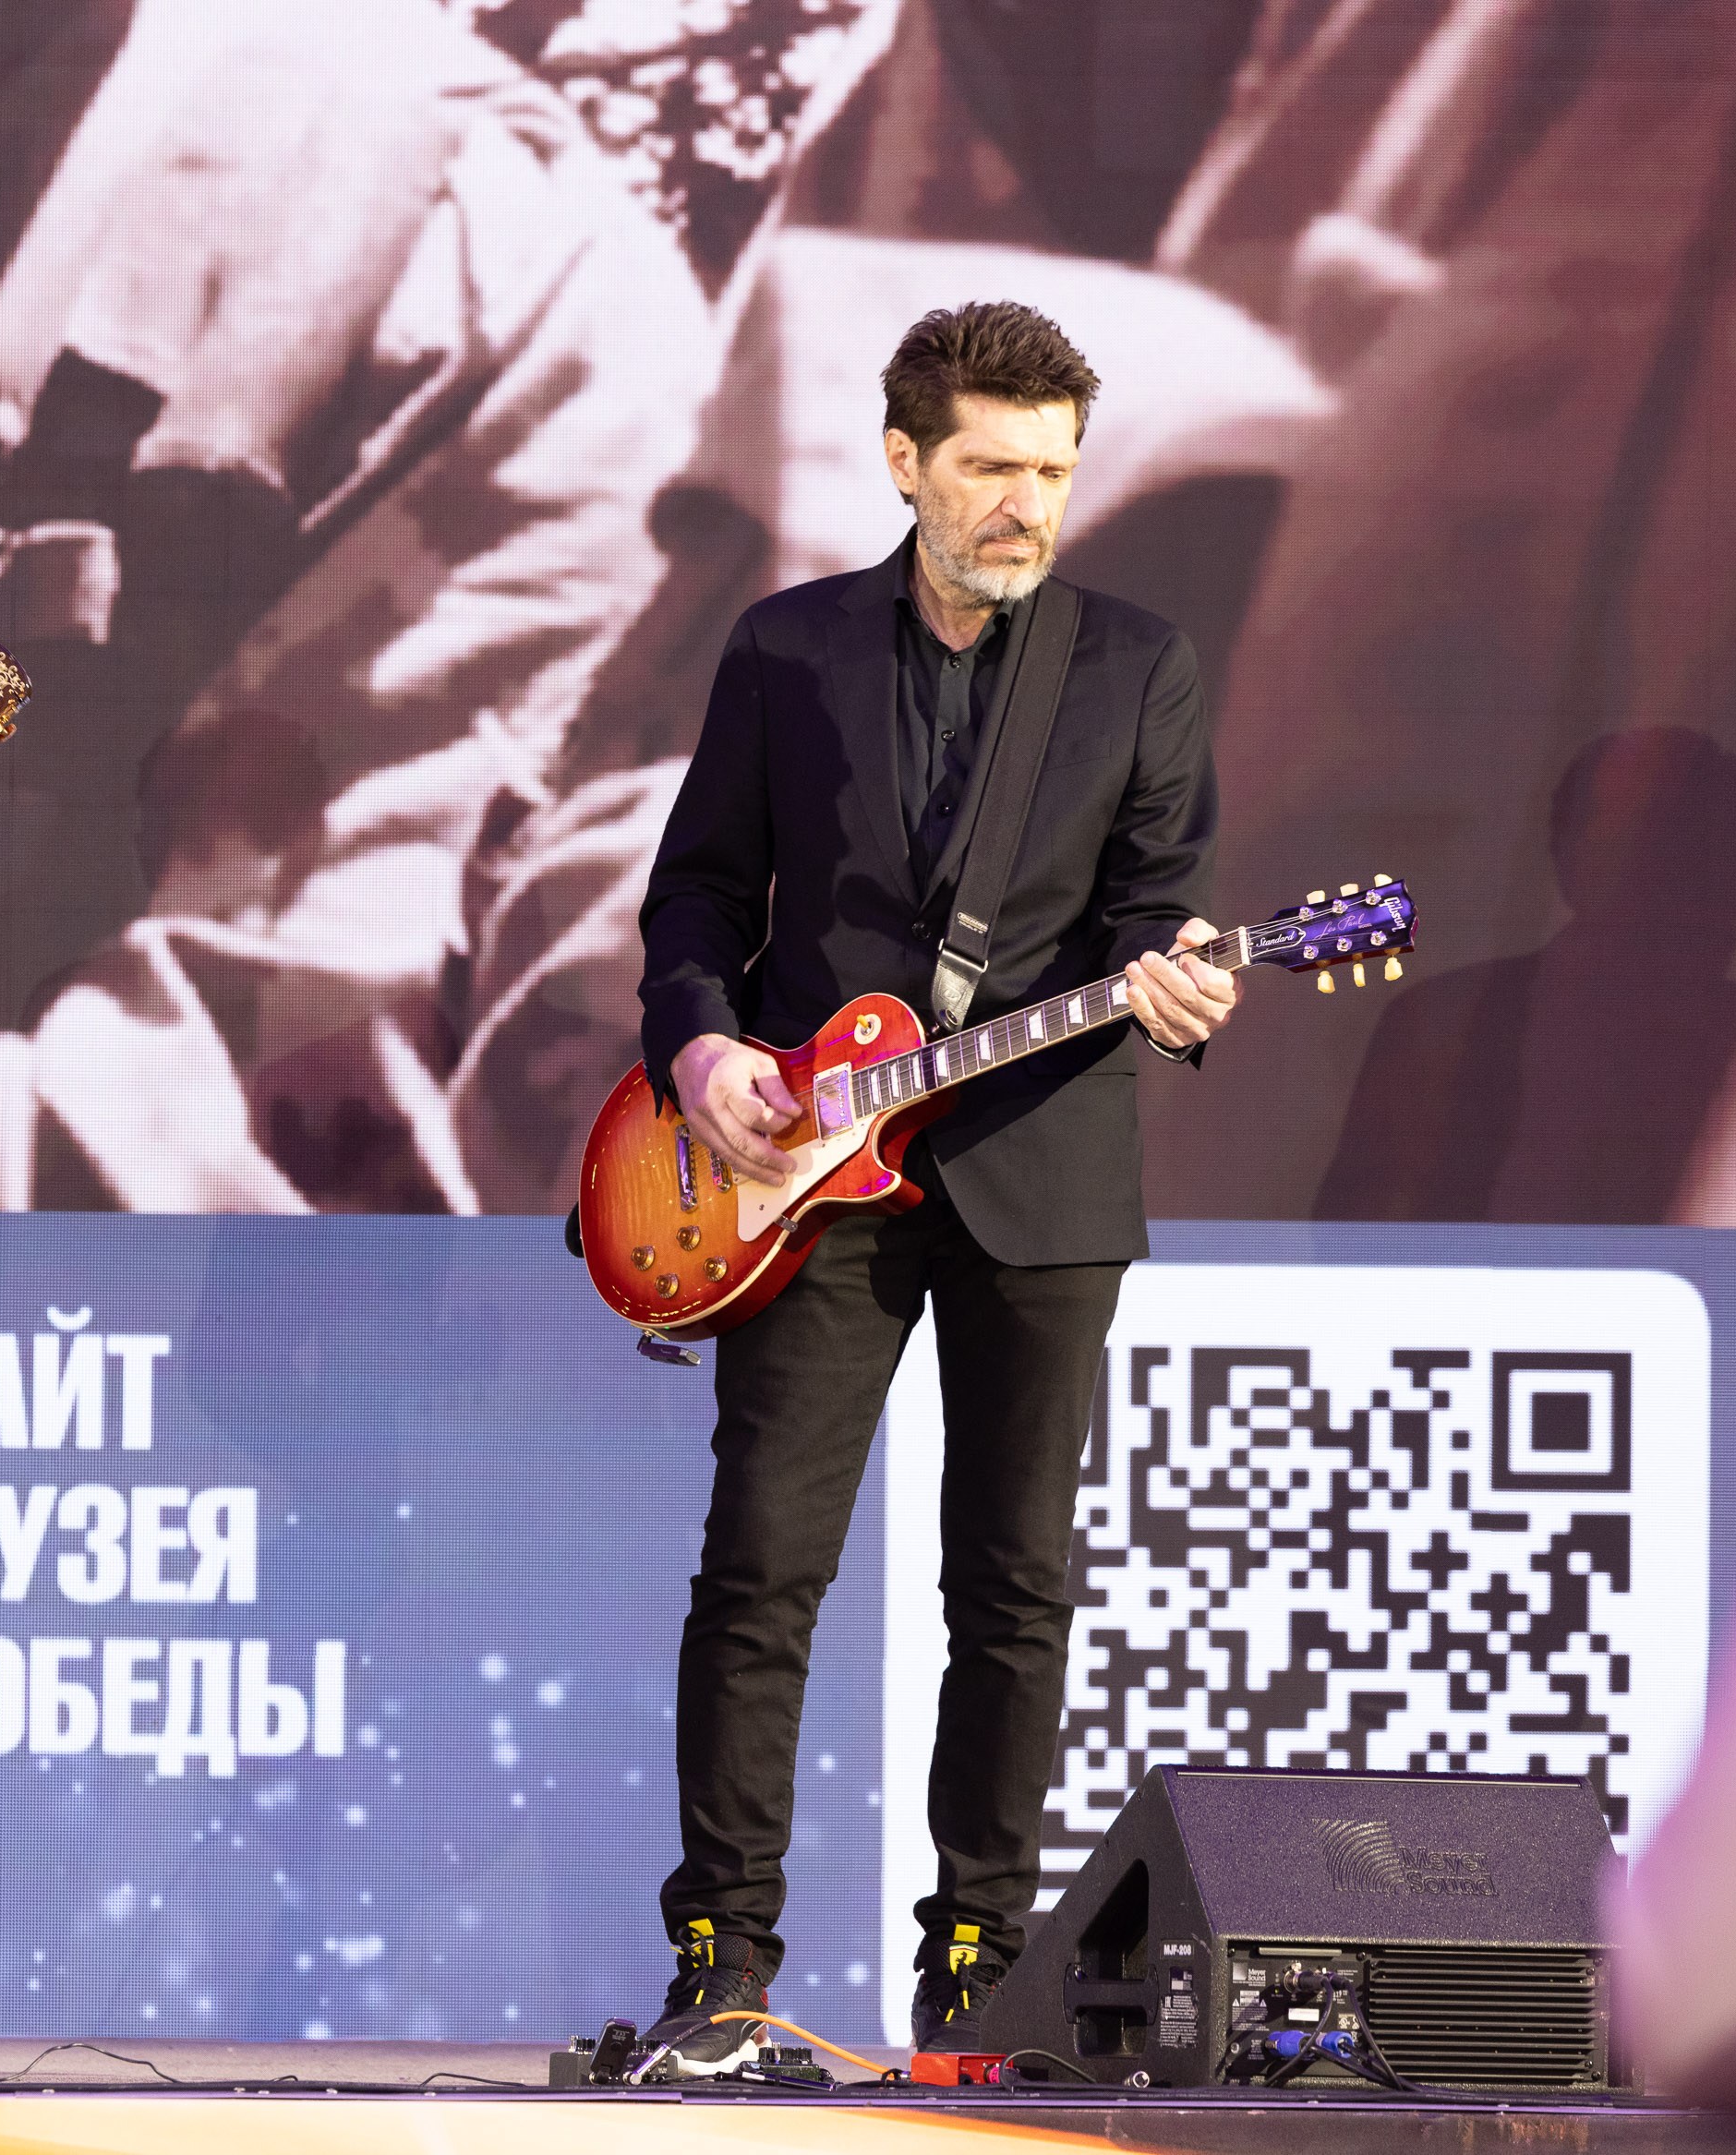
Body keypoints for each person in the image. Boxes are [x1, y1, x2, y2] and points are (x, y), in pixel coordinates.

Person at [632, 301, 1236, 2070]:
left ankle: (978, 1959)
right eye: (989, 466)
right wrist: (704, 1053)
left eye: (1053, 469)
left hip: (1039, 1171)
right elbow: (696, 896)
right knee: (761, 1569)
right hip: (807, 1172)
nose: (1025, 503)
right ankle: (723, 1957)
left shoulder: (1139, 664)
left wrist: (1181, 982)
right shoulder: (788, 647)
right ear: (905, 462)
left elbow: (1157, 909)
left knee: (1015, 1583)